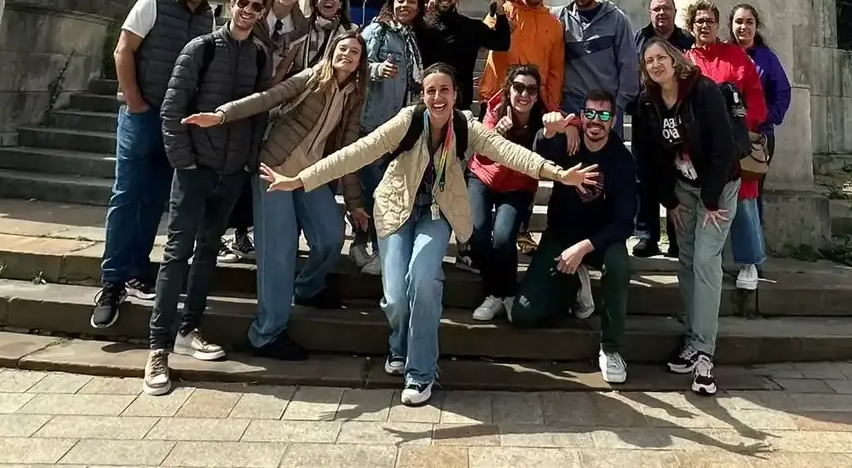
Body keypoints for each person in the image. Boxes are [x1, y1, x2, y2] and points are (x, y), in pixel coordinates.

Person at [261, 65, 600, 406]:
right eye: (431, 91)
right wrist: (301, 180)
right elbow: (357, 152)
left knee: (423, 280)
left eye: (445, 90)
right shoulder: (407, 121)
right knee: (396, 297)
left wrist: (558, 174)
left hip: (437, 213)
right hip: (397, 208)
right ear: (422, 95)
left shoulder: (465, 125)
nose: (438, 97)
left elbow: (509, 152)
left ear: (455, 94)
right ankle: (399, 347)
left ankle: (420, 372)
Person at [185, 30, 370, 362]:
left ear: (360, 63)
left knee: (330, 237)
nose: (347, 55)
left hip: (309, 176)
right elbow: (266, 98)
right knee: (279, 252)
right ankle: (266, 333)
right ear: (332, 52)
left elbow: (349, 151)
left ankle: (308, 288)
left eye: (354, 52)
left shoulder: (355, 95)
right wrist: (222, 114)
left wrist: (355, 203)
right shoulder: (311, 78)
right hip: (274, 168)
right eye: (342, 48)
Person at [141, 0, 269, 395]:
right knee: (177, 252)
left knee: (209, 250)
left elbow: (259, 113)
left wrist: (248, 161)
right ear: (231, 4)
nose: (248, 11)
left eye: (256, 6)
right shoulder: (201, 48)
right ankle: (158, 347)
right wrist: (185, 161)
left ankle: (189, 327)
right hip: (196, 167)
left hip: (232, 171)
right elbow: (172, 108)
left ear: (263, 13)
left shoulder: (260, 54)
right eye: (243, 3)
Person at [92, 0, 221, 330]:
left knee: (154, 199)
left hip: (176, 122)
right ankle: (111, 282)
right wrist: (133, 101)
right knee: (127, 195)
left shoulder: (208, 18)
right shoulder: (153, 2)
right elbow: (123, 50)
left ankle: (136, 270)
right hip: (142, 113)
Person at [636, 36, 741, 396]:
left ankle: (704, 353)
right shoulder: (647, 102)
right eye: (648, 60)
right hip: (683, 189)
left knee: (706, 262)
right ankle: (692, 339)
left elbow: (723, 148)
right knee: (686, 261)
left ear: (674, 59)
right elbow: (650, 157)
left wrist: (711, 200)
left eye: (660, 57)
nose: (655, 64)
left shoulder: (703, 91)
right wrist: (669, 200)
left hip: (718, 189)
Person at [510, 89, 638, 385]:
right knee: (522, 315)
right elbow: (539, 155)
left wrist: (584, 248)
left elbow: (624, 222)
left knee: (619, 266)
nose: (596, 120)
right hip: (561, 234)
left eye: (603, 115)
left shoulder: (621, 159)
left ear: (613, 120)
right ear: (582, 116)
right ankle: (574, 286)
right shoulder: (571, 143)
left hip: (601, 241)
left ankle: (612, 348)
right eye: (590, 113)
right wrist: (548, 132)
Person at [220, 0, 310, 265]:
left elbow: (284, 66)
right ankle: (215, 232)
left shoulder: (300, 26)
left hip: (265, 98)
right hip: (236, 88)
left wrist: (269, 97)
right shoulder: (255, 10)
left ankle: (240, 233)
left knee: (251, 164)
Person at [687, 0, 768, 292]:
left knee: (745, 200)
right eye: (699, 21)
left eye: (710, 21)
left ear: (717, 25)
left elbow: (755, 95)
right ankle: (711, 260)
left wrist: (748, 128)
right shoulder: (686, 61)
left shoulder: (735, 55)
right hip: (702, 148)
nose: (705, 26)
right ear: (691, 27)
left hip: (735, 142)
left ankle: (749, 261)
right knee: (706, 201)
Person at [354, 0, 426, 272]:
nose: (405, 6)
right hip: (374, 123)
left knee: (382, 189)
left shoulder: (410, 37)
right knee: (375, 189)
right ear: (391, 4)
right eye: (400, 0)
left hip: (398, 126)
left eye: (411, 2)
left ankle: (368, 246)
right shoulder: (377, 30)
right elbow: (357, 63)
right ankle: (374, 248)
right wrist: (376, 69)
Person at [467, 64, 548, 321]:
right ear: (508, 89)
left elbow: (568, 122)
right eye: (518, 87)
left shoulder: (542, 118)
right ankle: (495, 294)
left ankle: (507, 293)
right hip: (483, 178)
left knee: (503, 238)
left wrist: (567, 129)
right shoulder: (494, 111)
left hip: (517, 187)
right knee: (478, 234)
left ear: (537, 94)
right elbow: (480, 153)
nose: (524, 94)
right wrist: (495, 134)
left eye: (531, 90)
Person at [632, 0, 694, 258]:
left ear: (674, 11)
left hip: (677, 115)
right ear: (650, 12)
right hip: (645, 115)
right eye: (656, 9)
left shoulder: (687, 40)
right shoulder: (638, 38)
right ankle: (647, 236)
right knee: (644, 175)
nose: (661, 13)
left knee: (676, 175)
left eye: (666, 8)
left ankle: (677, 238)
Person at [730, 3, 790, 255]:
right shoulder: (725, 54)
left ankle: (752, 256)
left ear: (756, 26)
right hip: (728, 137)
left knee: (752, 195)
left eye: (749, 22)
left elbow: (782, 93)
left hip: (758, 138)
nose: (743, 27)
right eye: (738, 21)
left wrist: (767, 117)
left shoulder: (767, 58)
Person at [555, 0, 640, 123]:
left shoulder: (617, 18)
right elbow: (534, 10)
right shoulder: (559, 17)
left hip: (606, 105)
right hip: (571, 106)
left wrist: (619, 105)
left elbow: (629, 64)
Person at [477, 0, 565, 112]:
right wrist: (500, 26)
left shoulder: (554, 24)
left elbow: (556, 70)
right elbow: (481, 45)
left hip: (533, 99)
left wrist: (553, 105)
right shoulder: (503, 10)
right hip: (496, 97)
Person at [417, 0, 511, 109]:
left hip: (460, 106)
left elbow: (502, 43)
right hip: (427, 104)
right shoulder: (420, 29)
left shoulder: (472, 27)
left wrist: (500, 11)